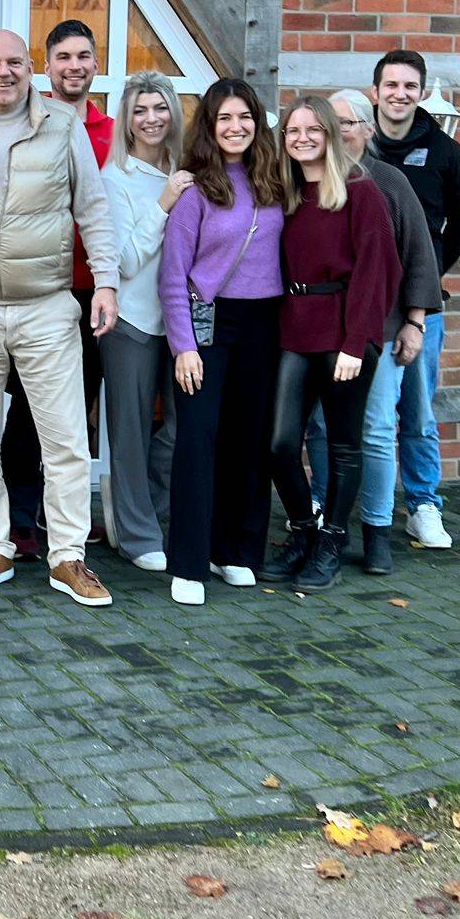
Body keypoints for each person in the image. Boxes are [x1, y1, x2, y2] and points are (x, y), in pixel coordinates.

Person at [0, 29, 119, 607]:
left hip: (45, 305)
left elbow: (92, 207)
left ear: (31, 68)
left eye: (14, 62)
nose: (4, 72)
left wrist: (106, 282)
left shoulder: (62, 128)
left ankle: (68, 556)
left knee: (63, 437)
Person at [159, 78, 286, 606]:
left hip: (265, 323)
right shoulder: (196, 190)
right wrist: (184, 346)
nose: (236, 128)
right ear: (210, 128)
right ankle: (189, 562)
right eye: (225, 119)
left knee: (250, 441)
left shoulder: (275, 183)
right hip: (208, 324)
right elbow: (172, 274)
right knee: (198, 439)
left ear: (257, 123)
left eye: (245, 118)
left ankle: (234, 551)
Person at [303, 90, 442, 576]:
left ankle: (377, 529)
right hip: (321, 331)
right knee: (321, 428)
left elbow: (420, 256)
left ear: (367, 128)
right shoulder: (309, 182)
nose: (338, 131)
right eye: (331, 123)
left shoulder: (387, 182)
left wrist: (414, 320)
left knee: (377, 429)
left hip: (378, 331)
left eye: (346, 123)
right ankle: (323, 517)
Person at [263, 97, 399, 590]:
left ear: (330, 134)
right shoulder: (287, 193)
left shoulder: (360, 192)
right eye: (292, 130)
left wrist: (355, 342)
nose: (301, 137)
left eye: (312, 129)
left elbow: (376, 272)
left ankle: (332, 541)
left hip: (344, 332)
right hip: (295, 329)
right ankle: (303, 530)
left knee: (343, 445)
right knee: (279, 443)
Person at [3, 17, 114, 558]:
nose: (74, 66)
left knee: (74, 414)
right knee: (27, 410)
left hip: (91, 294)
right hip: (38, 291)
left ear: (97, 64)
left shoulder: (112, 134)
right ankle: (20, 518)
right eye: (63, 57)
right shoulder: (28, 122)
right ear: (46, 67)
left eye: (83, 56)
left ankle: (63, 514)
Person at [368, 49, 460, 551]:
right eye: (390, 85)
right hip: (361, 310)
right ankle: (334, 502)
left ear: (420, 92)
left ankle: (423, 505)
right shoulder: (355, 144)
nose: (399, 95)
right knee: (345, 415)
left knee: (416, 411)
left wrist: (427, 278)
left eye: (409, 86)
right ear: (375, 92)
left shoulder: (444, 152)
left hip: (419, 313)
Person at [99, 73, 190, 575]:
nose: (151, 118)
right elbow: (123, 262)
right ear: (126, 121)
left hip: (180, 324)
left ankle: (157, 515)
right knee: (129, 434)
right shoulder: (116, 178)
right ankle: (136, 535)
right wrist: (163, 206)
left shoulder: (184, 170)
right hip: (130, 320)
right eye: (140, 110)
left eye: (160, 108)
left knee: (179, 429)